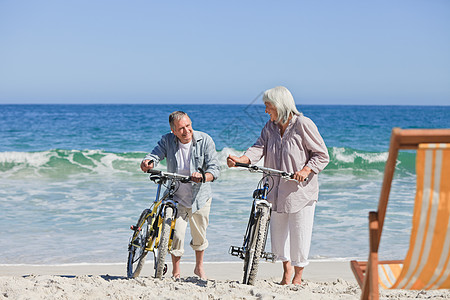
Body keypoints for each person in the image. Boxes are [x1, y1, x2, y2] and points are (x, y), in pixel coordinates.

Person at [227, 86, 329, 285]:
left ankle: (298, 276)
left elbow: (322, 155)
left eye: (268, 106)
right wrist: (242, 160)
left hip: (300, 191)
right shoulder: (270, 127)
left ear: (280, 105)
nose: (266, 110)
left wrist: (306, 170)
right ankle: (286, 273)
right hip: (274, 189)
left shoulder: (302, 124)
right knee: (278, 235)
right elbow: (258, 147)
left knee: (300, 234)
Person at [141, 111, 220, 280]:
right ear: (173, 131)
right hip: (176, 196)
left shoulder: (205, 140)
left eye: (188, 126)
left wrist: (204, 176)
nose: (186, 131)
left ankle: (199, 268)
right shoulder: (167, 140)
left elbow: (215, 168)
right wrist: (148, 162)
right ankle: (176, 272)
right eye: (181, 129)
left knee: (199, 236)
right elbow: (156, 154)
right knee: (176, 234)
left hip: (200, 197)